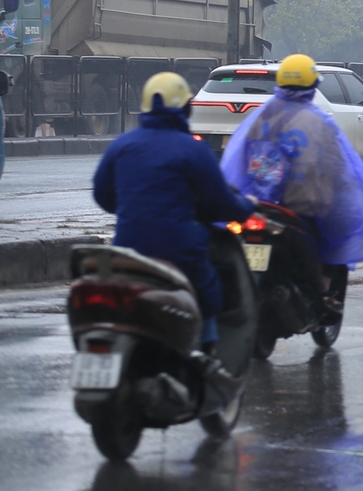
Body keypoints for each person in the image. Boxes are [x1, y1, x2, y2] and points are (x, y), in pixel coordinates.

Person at [93, 72, 255, 350]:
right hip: (179, 250)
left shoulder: (122, 145)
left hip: (127, 249)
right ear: (186, 107)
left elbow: (103, 196)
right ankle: (205, 356)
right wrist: (247, 207)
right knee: (208, 294)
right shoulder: (193, 150)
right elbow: (221, 203)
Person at [220, 54, 363, 317]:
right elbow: (338, 166)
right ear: (313, 85)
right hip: (301, 208)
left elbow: (238, 159)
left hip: (257, 204)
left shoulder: (260, 117)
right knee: (334, 232)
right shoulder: (320, 121)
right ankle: (322, 292)